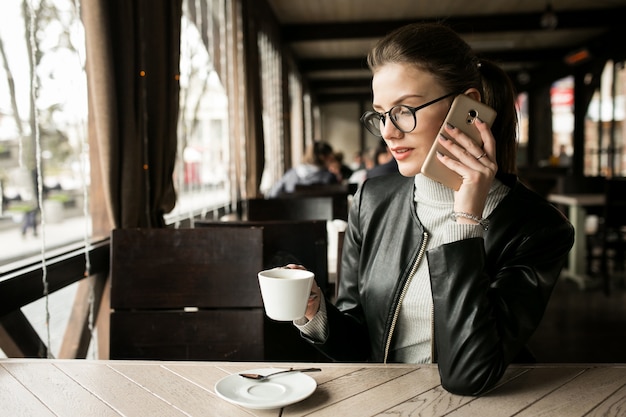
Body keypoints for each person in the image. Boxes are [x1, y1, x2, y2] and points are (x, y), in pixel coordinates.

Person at [288, 22, 574, 396]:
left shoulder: (537, 227)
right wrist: (316, 312)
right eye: (380, 113)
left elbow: (469, 376)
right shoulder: (372, 200)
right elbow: (362, 347)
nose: (388, 131)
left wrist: (466, 220)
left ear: (468, 109)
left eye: (404, 110)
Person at [266, 141, 339, 198]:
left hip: (290, 215)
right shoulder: (329, 177)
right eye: (331, 156)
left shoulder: (291, 174)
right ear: (323, 157)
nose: (332, 159)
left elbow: (272, 194)